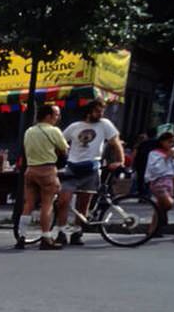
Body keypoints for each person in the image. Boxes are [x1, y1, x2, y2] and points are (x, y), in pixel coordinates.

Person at [58, 99, 123, 245]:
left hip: (91, 168)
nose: (100, 114)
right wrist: (63, 155)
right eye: (97, 111)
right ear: (89, 111)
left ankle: (77, 232)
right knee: (63, 201)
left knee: (83, 203)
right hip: (72, 167)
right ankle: (61, 231)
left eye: (102, 111)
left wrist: (120, 160)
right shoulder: (75, 126)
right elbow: (60, 142)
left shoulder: (105, 124)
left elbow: (115, 142)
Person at [20, 103, 69, 250]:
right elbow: (64, 149)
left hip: (30, 170)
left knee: (28, 204)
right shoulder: (54, 131)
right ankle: (46, 237)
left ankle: (21, 236)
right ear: (48, 116)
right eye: (56, 115)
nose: (58, 118)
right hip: (47, 170)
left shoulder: (29, 131)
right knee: (47, 204)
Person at [144, 129, 174, 236]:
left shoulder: (172, 153)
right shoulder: (154, 153)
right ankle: (162, 220)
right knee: (168, 204)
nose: (171, 144)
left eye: (173, 142)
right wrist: (166, 157)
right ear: (162, 141)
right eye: (169, 141)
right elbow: (154, 169)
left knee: (159, 206)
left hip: (169, 182)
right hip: (159, 182)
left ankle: (153, 230)